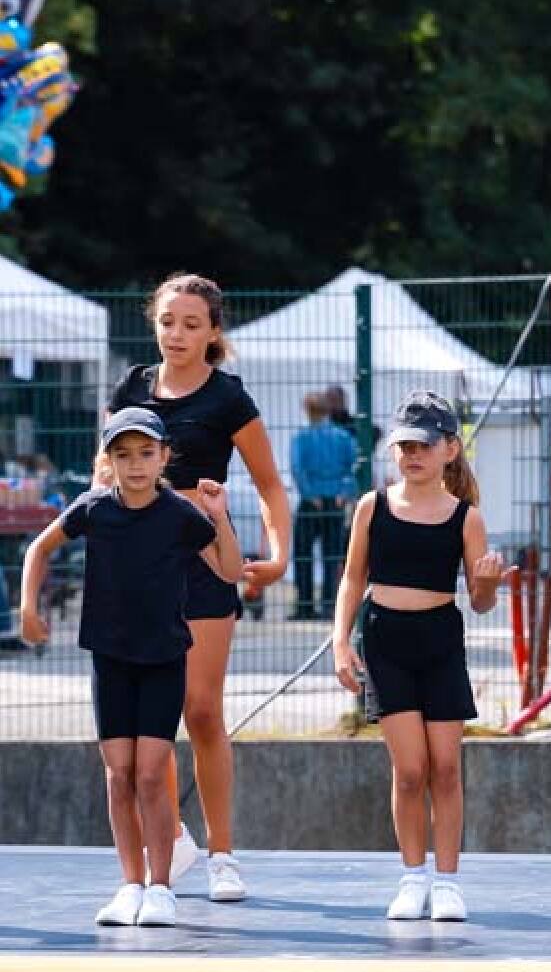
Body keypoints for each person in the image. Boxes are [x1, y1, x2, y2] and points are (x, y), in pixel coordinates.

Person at [105, 273, 291, 902]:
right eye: (167, 322)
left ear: (214, 331)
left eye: (191, 324)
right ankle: (173, 839)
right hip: (138, 568)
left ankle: (222, 853)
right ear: (153, 324)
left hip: (205, 562)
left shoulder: (228, 398)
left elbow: (269, 485)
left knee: (202, 708)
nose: (177, 334)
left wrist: (279, 554)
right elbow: (104, 470)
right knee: (146, 718)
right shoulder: (131, 389)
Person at [19, 407, 242, 927]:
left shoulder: (182, 515)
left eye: (146, 453)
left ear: (164, 457)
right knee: (119, 775)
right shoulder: (93, 508)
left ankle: (161, 887)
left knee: (150, 775)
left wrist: (219, 517)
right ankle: (130, 885)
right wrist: (28, 607)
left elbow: (231, 571)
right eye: (123, 454)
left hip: (164, 660)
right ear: (109, 460)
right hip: (111, 660)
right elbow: (39, 548)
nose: (136, 464)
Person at [332, 390, 505, 922]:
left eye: (425, 445)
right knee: (409, 770)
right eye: (405, 445)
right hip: (385, 640)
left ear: (450, 449)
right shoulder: (373, 506)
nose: (413, 455)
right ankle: (413, 876)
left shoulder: (466, 518)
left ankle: (447, 881)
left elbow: (480, 602)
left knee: (446, 767)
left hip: (439, 641)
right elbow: (352, 577)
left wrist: (488, 582)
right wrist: (341, 641)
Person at [290, 390, 357, 620]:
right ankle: (329, 605)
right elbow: (353, 467)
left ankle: (305, 605)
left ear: (307, 411)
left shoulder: (302, 437)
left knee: (303, 554)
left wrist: (309, 494)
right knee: (332, 555)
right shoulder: (343, 437)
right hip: (335, 500)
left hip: (311, 502)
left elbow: (297, 469)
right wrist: (344, 492)